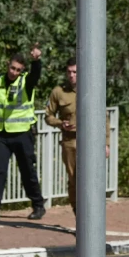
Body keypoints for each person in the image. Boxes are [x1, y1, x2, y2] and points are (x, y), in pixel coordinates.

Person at [0, 45, 46, 221]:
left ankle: (38, 205)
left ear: (22, 71)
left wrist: (37, 61)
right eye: (12, 68)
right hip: (1, 135)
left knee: (28, 171)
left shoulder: (25, 82)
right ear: (8, 65)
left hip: (23, 134)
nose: (14, 72)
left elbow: (36, 75)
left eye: (18, 70)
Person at [44, 58, 110, 215]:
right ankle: (79, 216)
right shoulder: (58, 92)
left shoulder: (92, 89)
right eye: (69, 72)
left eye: (75, 72)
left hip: (90, 142)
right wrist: (60, 123)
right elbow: (48, 116)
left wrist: (106, 143)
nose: (72, 75)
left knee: (91, 179)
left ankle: (93, 216)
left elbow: (104, 117)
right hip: (70, 141)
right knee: (75, 180)